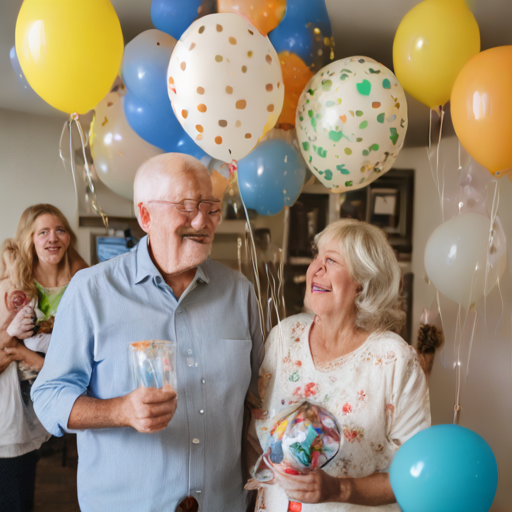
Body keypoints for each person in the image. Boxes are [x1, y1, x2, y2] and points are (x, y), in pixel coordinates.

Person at [32, 153, 264, 512]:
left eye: (211, 207)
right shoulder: (91, 290)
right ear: (145, 216)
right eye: (186, 207)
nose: (203, 221)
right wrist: (120, 410)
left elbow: (257, 400)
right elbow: (49, 396)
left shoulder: (239, 291)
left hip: (225, 503)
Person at [249, 218, 431, 511]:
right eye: (316, 257)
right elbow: (255, 434)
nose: (316, 269)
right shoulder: (285, 336)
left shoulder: (395, 359)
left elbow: (415, 474)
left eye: (331, 260)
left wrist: (338, 488)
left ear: (362, 283)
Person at [0, 204, 87, 512]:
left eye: (60, 230)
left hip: (64, 403)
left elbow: (85, 358)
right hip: (15, 411)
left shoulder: (83, 283)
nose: (53, 238)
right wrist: (12, 339)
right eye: (43, 232)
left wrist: (26, 354)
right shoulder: (14, 289)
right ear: (30, 240)